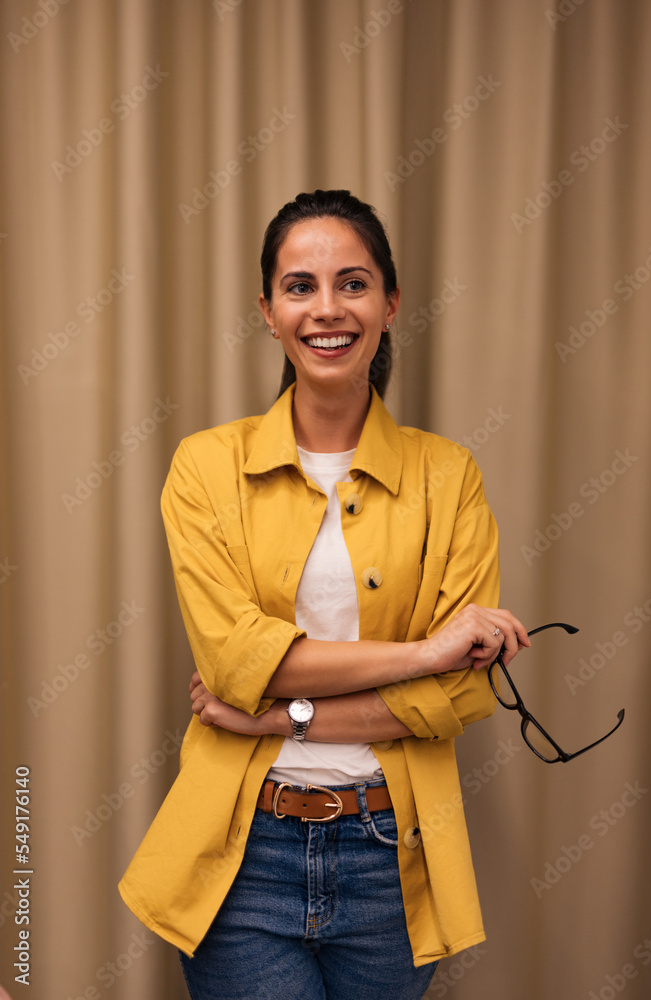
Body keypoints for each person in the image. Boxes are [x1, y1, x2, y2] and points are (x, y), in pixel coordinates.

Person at [118, 189, 529, 1000]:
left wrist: (282, 716)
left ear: (390, 303)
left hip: (394, 855)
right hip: (244, 857)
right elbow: (238, 662)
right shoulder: (205, 468)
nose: (327, 308)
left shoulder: (448, 476)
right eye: (299, 287)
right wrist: (422, 652)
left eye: (353, 282)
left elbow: (463, 690)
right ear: (267, 311)